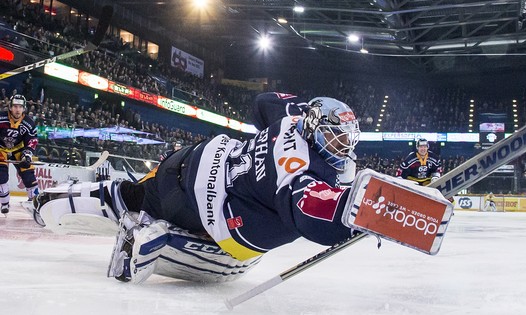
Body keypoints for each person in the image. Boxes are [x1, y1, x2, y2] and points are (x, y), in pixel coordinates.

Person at [31, 92, 447, 283]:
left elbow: (262, 102)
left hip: (188, 163)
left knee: (136, 196)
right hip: (206, 214)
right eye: (337, 137)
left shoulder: (288, 117)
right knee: (231, 268)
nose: (343, 146)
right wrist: (360, 216)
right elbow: (309, 209)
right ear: (317, 129)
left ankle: (53, 201)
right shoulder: (301, 170)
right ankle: (151, 241)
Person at [0, 94, 40, 215]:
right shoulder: (1, 118)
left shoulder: (29, 123)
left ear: (24, 108)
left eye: (20, 107)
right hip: (1, 149)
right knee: (1, 178)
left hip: (19, 150)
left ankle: (35, 204)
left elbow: (32, 140)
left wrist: (27, 155)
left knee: (29, 177)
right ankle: (5, 203)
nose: (17, 109)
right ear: (10, 107)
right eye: (15, 106)